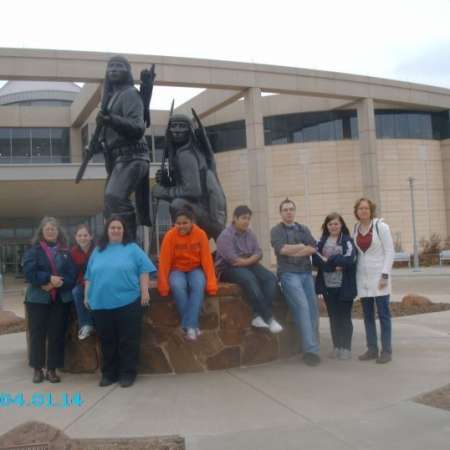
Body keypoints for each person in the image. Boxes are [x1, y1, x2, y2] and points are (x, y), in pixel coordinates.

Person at [84, 216, 156, 387]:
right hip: (100, 303)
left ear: (124, 230)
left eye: (119, 227)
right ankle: (109, 374)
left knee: (128, 340)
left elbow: (144, 270)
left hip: (128, 302)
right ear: (107, 230)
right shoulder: (97, 250)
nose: (116, 230)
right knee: (106, 340)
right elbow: (89, 276)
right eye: (112, 228)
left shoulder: (132, 248)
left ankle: (127, 373)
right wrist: (86, 296)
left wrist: (145, 291)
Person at [96, 55, 151, 239]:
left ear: (127, 72)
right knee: (109, 204)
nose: (113, 69)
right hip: (118, 158)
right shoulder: (112, 98)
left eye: (119, 66)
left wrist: (111, 119)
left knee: (115, 198)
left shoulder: (130, 93)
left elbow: (137, 128)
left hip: (133, 156)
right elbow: (111, 135)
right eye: (110, 66)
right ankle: (118, 243)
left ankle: (128, 244)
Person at [152, 113, 226, 240]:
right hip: (208, 215)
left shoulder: (185, 155)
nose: (177, 131)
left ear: (189, 131)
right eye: (174, 126)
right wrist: (168, 181)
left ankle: (186, 243)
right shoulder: (192, 151)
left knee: (178, 204)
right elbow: (186, 185)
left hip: (206, 216)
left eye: (182, 126)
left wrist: (164, 191)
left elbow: (193, 190)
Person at [23, 217, 76, 383]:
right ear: (42, 231)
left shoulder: (66, 252)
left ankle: (52, 369)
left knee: (56, 334)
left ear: (58, 232)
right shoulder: (33, 250)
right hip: (38, 299)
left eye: (53, 229)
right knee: (37, 334)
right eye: (47, 229)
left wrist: (56, 283)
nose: (51, 231)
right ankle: (37, 369)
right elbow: (29, 273)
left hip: (59, 299)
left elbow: (71, 276)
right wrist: (47, 279)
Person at [215, 205, 283, 333]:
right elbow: (234, 260)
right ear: (235, 218)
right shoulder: (225, 236)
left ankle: (258, 316)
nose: (246, 221)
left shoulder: (249, 233)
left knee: (270, 278)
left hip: (248, 264)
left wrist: (247, 261)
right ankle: (268, 318)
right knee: (250, 278)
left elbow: (259, 253)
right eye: (243, 218)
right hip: (228, 269)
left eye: (248, 218)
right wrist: (251, 259)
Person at [270, 199, 320, 366]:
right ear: (281, 212)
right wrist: (301, 247)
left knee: (312, 308)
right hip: (288, 274)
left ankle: (311, 346)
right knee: (303, 307)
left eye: (291, 209)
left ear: (295, 211)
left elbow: (313, 247)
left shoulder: (303, 228)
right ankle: (310, 351)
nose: (289, 212)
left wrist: (296, 250)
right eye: (285, 210)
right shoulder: (276, 230)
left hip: (306, 273)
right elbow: (281, 249)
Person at [157, 208, 217, 340]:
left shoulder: (201, 234)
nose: (181, 226)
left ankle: (188, 325)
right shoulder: (169, 236)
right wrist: (163, 286)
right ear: (174, 224)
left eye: (185, 223)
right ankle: (193, 326)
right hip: (176, 269)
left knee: (199, 284)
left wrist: (212, 284)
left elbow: (207, 260)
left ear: (192, 222)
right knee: (177, 286)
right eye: (178, 223)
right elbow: (164, 261)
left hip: (195, 268)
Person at [353, 197, 394, 364]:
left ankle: (386, 350)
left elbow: (390, 252)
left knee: (384, 314)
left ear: (371, 211)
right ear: (356, 212)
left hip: (379, 277)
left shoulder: (381, 227)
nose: (363, 211)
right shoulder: (355, 228)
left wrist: (385, 275)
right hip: (363, 278)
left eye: (366, 208)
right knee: (368, 315)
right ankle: (371, 348)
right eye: (360, 208)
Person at [313, 213, 357, 360]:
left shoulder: (347, 241)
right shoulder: (321, 242)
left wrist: (330, 260)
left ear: (341, 225)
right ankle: (336, 346)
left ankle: (346, 348)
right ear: (326, 226)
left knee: (345, 317)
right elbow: (316, 259)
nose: (333, 226)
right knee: (333, 317)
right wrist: (334, 265)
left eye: (336, 224)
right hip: (327, 287)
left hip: (344, 287)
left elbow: (349, 260)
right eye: (330, 224)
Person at [70, 224, 95, 340]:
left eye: (85, 235)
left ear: (91, 236)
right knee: (76, 292)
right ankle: (85, 324)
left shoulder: (98, 250)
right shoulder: (73, 252)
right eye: (79, 235)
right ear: (75, 237)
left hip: (97, 282)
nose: (82, 238)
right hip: (82, 283)